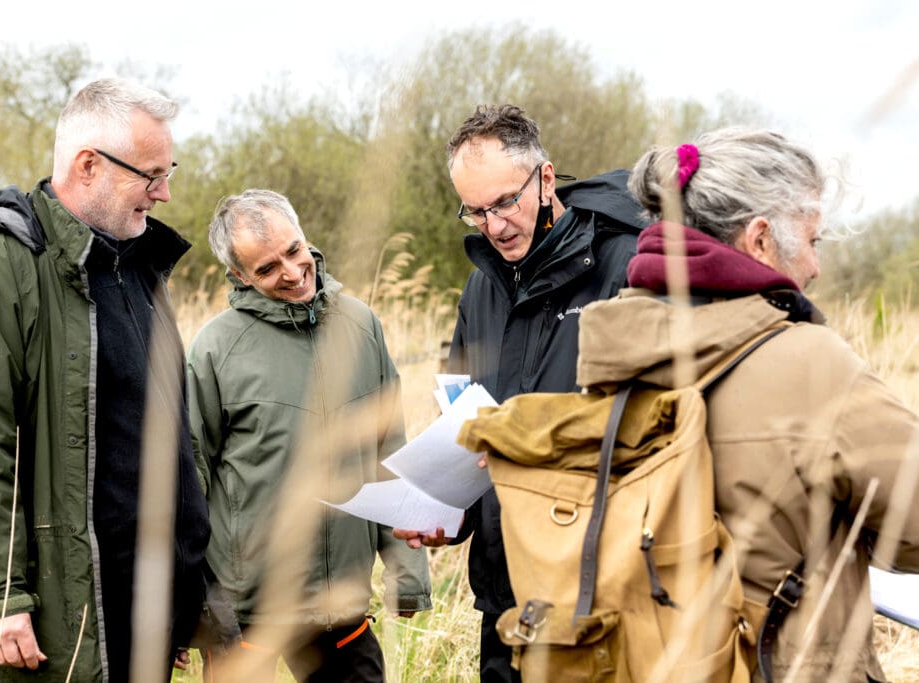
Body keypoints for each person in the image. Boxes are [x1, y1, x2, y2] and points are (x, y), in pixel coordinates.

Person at [573, 127, 919, 681]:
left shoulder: (612, 348)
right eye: (813, 241)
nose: (815, 268)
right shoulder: (811, 363)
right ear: (759, 240)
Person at [0, 78, 210, 681]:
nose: (164, 193)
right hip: (54, 622)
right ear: (89, 165)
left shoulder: (140, 273)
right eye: (152, 174)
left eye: (169, 171)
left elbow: (172, 447)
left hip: (144, 617)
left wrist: (187, 595)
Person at [393, 104, 639, 682]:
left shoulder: (626, 266)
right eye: (475, 211)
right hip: (502, 598)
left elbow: (650, 425)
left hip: (592, 597)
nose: (494, 225)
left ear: (546, 179)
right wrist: (447, 512)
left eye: (506, 202)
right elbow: (462, 419)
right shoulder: (480, 289)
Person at [186, 189, 432, 681]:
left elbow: (390, 452)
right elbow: (189, 482)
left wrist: (408, 573)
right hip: (246, 614)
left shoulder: (361, 325)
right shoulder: (215, 348)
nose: (293, 272)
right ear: (239, 276)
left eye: (294, 251)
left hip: (341, 606)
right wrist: (190, 609)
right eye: (267, 268)